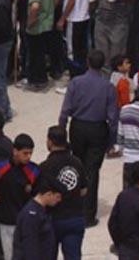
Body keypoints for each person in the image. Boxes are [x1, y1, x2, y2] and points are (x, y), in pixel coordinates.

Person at [57, 48, 118, 226]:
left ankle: (72, 209)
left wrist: (61, 133)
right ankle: (88, 216)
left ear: (87, 62)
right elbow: (113, 118)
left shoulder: (76, 83)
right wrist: (112, 142)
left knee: (76, 167)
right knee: (92, 172)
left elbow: (65, 111)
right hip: (98, 129)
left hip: (78, 127)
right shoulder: (108, 87)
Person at [39, 125, 87, 260]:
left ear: (50, 141)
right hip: (75, 217)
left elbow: (40, 195)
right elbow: (84, 189)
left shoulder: (45, 166)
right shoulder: (77, 162)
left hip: (53, 219)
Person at [0, 133, 39, 259]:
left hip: (26, 222)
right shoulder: (0, 168)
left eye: (30, 153)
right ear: (15, 151)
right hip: (6, 221)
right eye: (25, 153)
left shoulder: (34, 171)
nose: (28, 157)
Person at [11, 179, 64, 260]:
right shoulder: (31, 214)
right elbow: (29, 244)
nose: (59, 200)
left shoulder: (41, 210)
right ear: (48, 194)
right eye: (57, 197)